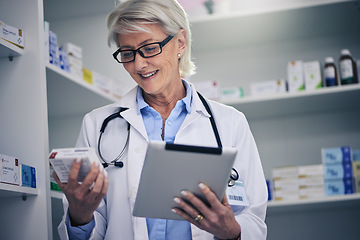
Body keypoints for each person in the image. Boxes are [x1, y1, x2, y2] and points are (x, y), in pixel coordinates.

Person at [54, 0, 268, 239]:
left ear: (180, 43)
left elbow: (253, 219)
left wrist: (232, 231)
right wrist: (80, 216)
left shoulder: (230, 123)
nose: (139, 64)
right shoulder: (97, 125)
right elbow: (90, 227)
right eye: (127, 53)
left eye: (149, 48)